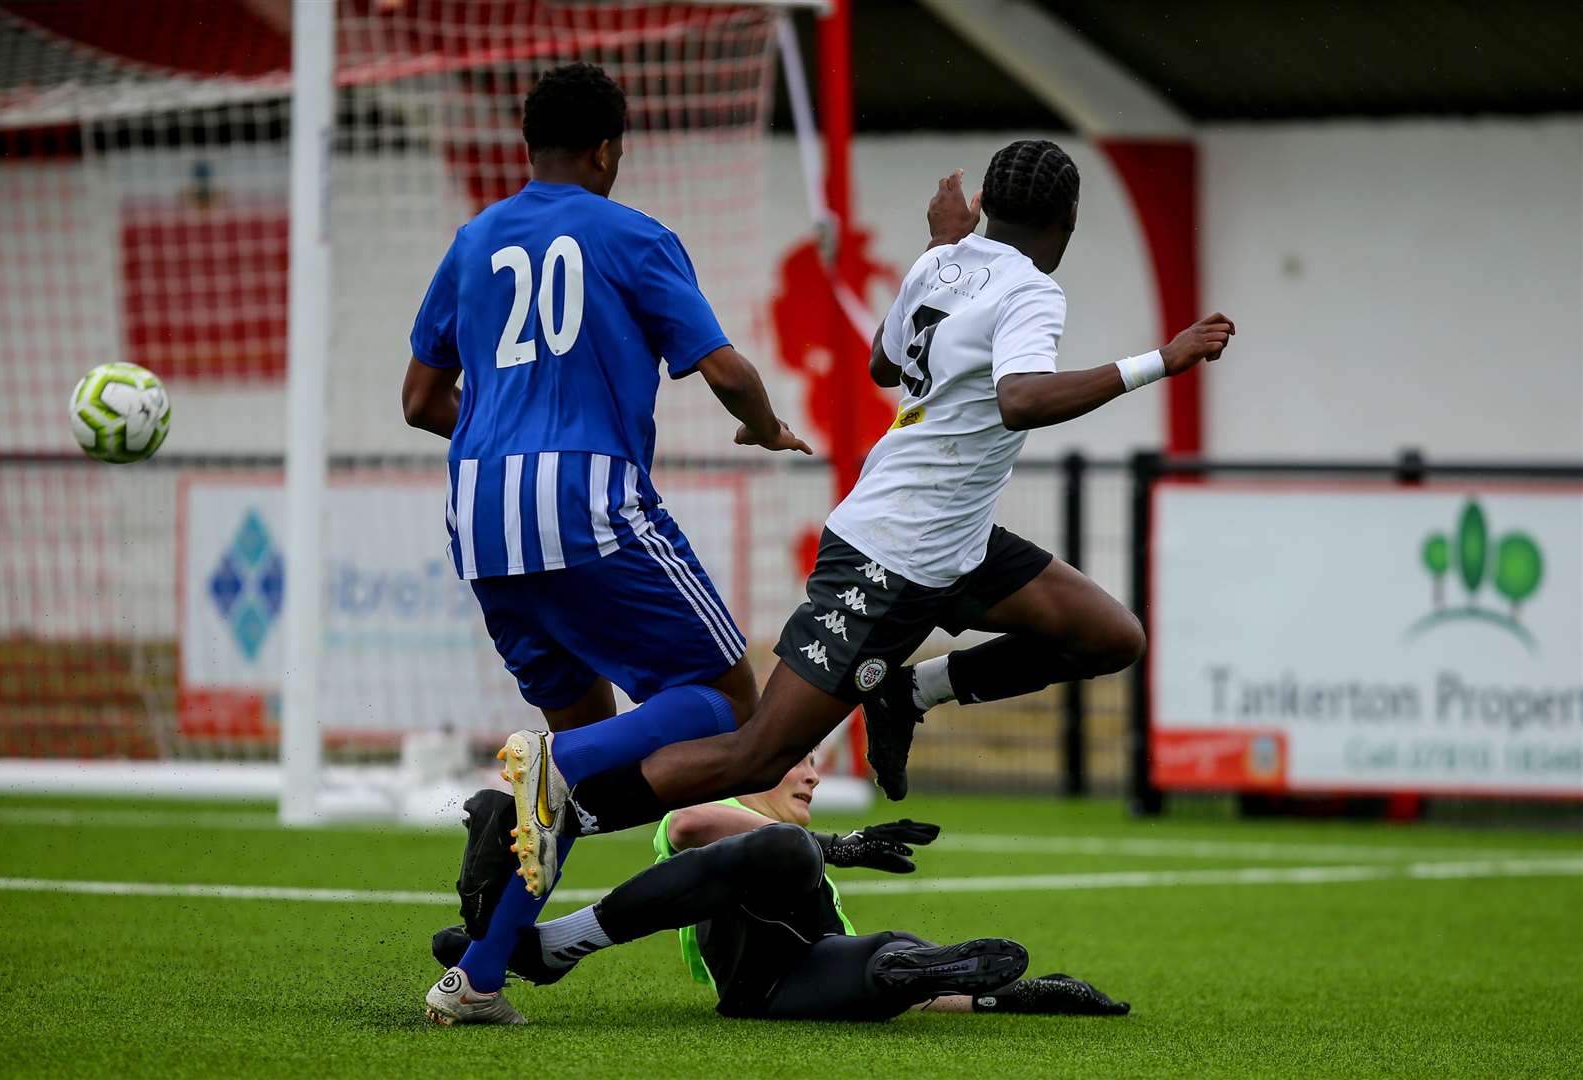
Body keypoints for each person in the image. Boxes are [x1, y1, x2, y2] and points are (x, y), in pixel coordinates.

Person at [504, 139, 1237, 846]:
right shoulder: (1033, 290)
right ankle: (559, 812)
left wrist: (939, 247)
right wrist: (1160, 361)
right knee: (757, 754)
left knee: (1110, 637)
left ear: (986, 207)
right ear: (1067, 222)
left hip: (956, 542)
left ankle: (909, 693)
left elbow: (883, 365)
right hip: (891, 557)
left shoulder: (944, 259)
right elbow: (1021, 399)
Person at [403, 61, 810, 1023]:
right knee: (723, 703)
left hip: (480, 516)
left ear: (526, 147)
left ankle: (481, 979)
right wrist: (761, 425)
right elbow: (725, 366)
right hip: (586, 503)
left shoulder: (472, 242)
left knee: (578, 756)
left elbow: (421, 402)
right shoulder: (632, 234)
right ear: (606, 149)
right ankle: (557, 768)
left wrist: (501, 435)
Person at [429, 755, 1130, 1024]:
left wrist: (1009, 996)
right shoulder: (699, 824)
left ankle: (528, 941)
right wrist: (832, 846)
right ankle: (548, 944)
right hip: (749, 976)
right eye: (795, 760)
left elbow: (851, 957)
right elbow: (700, 822)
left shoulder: (803, 864)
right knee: (786, 849)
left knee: (886, 960)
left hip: (801, 984)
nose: (814, 775)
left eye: (817, 762)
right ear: (750, 765)